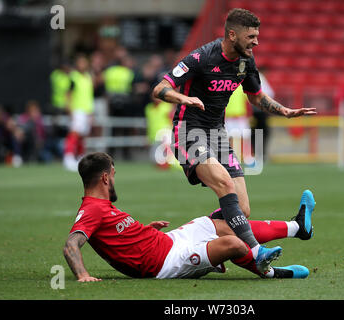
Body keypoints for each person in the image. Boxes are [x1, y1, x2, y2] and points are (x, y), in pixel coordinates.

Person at [152, 8, 317, 272]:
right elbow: (160, 88)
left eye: (257, 36)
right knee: (225, 185)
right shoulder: (201, 57)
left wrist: (283, 110)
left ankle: (212, 244)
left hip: (217, 134)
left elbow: (256, 96)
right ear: (232, 34)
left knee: (242, 209)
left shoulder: (246, 61)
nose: (256, 42)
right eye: (251, 36)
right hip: (188, 132)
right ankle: (255, 251)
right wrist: (184, 98)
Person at [63, 152, 316, 281]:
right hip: (166, 263)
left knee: (222, 223)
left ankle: (297, 227)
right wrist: (83, 275)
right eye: (114, 174)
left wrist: (145, 230)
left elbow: (117, 236)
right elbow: (71, 244)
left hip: (168, 241)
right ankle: (271, 273)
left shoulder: (102, 206)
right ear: (105, 177)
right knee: (235, 244)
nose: (114, 179)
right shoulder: (92, 209)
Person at [63, 54, 95, 171]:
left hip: (87, 111)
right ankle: (68, 158)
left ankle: (81, 158)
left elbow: (89, 96)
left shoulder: (88, 77)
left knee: (82, 136)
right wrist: (69, 109)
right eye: (80, 62)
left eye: (84, 62)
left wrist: (91, 113)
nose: (82, 65)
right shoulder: (73, 77)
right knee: (74, 134)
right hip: (77, 110)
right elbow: (68, 94)